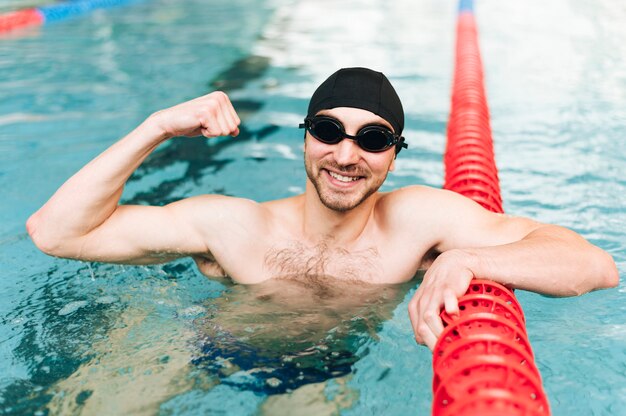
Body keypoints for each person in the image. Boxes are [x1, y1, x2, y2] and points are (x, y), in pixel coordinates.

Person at [26, 67, 619, 350]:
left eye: (374, 139)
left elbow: (593, 265)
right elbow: (54, 233)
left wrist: (467, 259)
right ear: (305, 137)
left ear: (394, 158)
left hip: (319, 376)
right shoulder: (234, 225)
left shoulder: (417, 221)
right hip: (194, 350)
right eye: (329, 130)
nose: (346, 154)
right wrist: (155, 127)